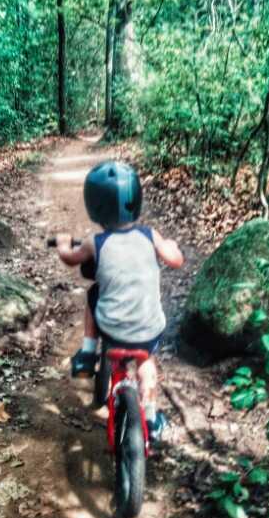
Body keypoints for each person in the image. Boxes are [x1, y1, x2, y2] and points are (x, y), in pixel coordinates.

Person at [54, 160, 184, 440]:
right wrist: (170, 246)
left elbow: (69, 258)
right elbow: (176, 260)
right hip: (148, 328)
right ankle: (150, 417)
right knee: (147, 363)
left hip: (113, 328)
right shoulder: (151, 236)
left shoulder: (94, 243)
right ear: (135, 200)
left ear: (94, 206)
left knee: (93, 294)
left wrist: (64, 243)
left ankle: (89, 350)